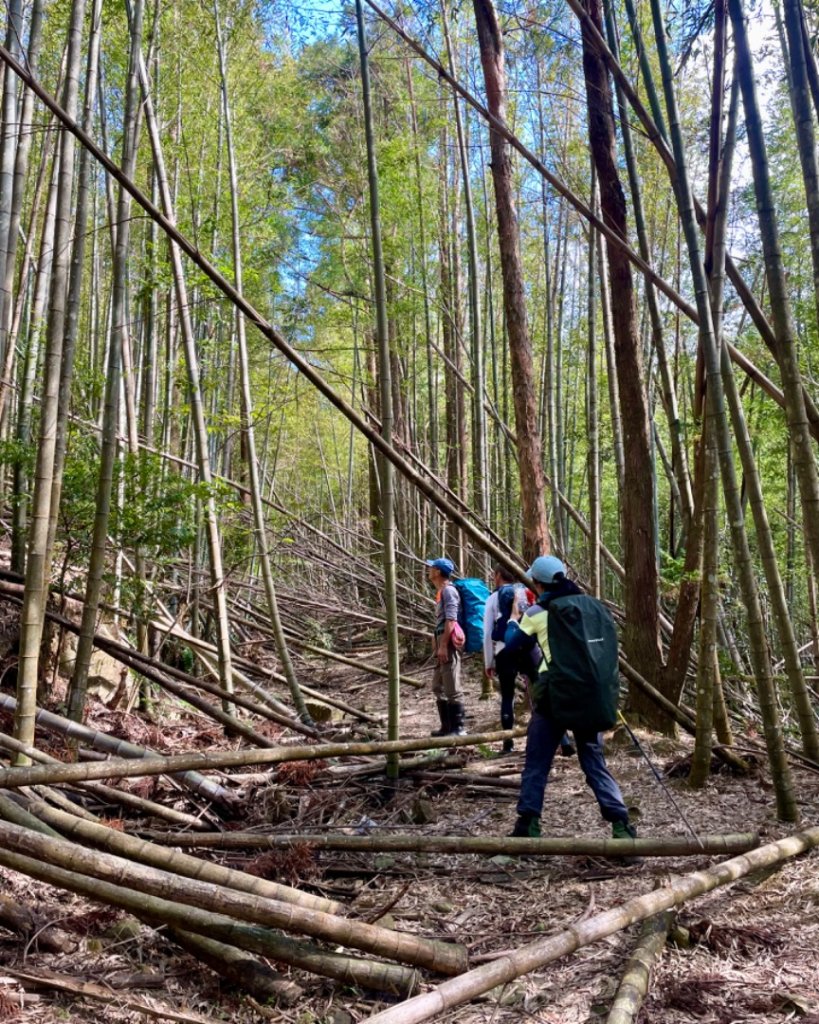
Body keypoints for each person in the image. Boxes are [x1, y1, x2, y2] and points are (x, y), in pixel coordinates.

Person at [503, 555, 635, 840]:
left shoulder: (537, 612)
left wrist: (513, 621)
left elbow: (512, 648)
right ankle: (621, 826)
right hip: (590, 695)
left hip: (554, 697)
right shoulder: (593, 606)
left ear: (538, 583)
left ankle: (528, 827)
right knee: (594, 761)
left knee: (537, 761)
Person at [483, 564, 576, 756]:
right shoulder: (525, 592)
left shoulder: (494, 598)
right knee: (544, 693)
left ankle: (508, 744)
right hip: (529, 648)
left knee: (507, 696)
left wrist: (489, 662)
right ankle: (563, 740)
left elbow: (487, 632)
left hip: (505, 649)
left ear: (498, 575)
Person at [425, 557, 466, 736]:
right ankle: (447, 727)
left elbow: (451, 619)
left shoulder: (449, 591)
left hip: (448, 641)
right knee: (438, 685)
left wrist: (443, 645)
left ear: (438, 572)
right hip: (441, 638)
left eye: (431, 567)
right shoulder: (441, 592)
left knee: (451, 685)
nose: (428, 570)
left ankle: (458, 729)